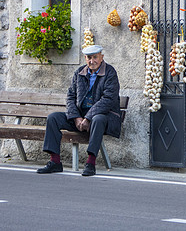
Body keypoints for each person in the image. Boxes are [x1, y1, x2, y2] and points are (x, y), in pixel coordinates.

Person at [37, 45, 122, 176]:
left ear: (101, 57)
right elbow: (71, 96)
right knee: (53, 118)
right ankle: (55, 162)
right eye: (89, 58)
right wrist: (76, 117)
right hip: (80, 117)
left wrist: (88, 118)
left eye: (95, 57)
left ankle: (90, 163)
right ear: (85, 58)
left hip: (104, 117)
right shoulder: (79, 73)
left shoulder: (110, 72)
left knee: (98, 119)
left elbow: (108, 100)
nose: (92, 61)